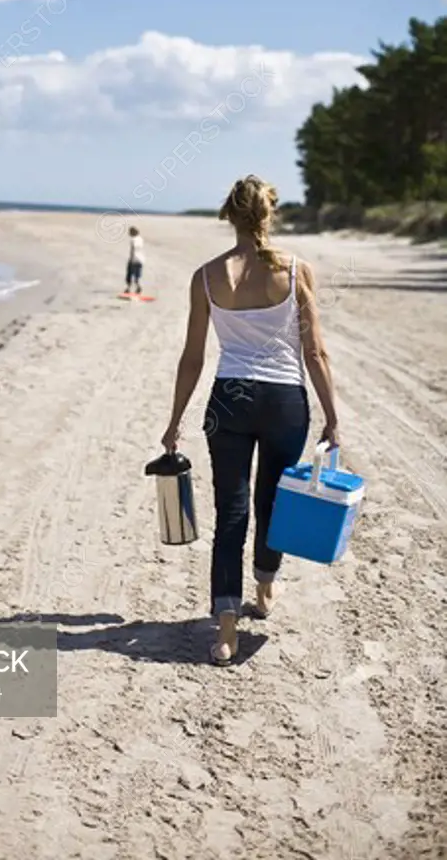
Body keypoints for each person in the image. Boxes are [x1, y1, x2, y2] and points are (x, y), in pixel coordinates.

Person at [161, 175, 339, 666]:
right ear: (268, 215)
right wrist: (333, 417)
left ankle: (225, 632)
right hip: (284, 402)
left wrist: (175, 419)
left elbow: (192, 357)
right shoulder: (296, 270)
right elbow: (316, 351)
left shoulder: (206, 276)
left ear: (230, 216)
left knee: (231, 512)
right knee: (272, 505)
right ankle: (263, 587)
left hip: (228, 404)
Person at [124, 226, 145, 295]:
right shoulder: (140, 239)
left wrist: (131, 259)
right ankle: (138, 287)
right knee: (137, 274)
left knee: (129, 274)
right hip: (140, 259)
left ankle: (128, 288)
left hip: (134, 259)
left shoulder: (133, 240)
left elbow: (133, 250)